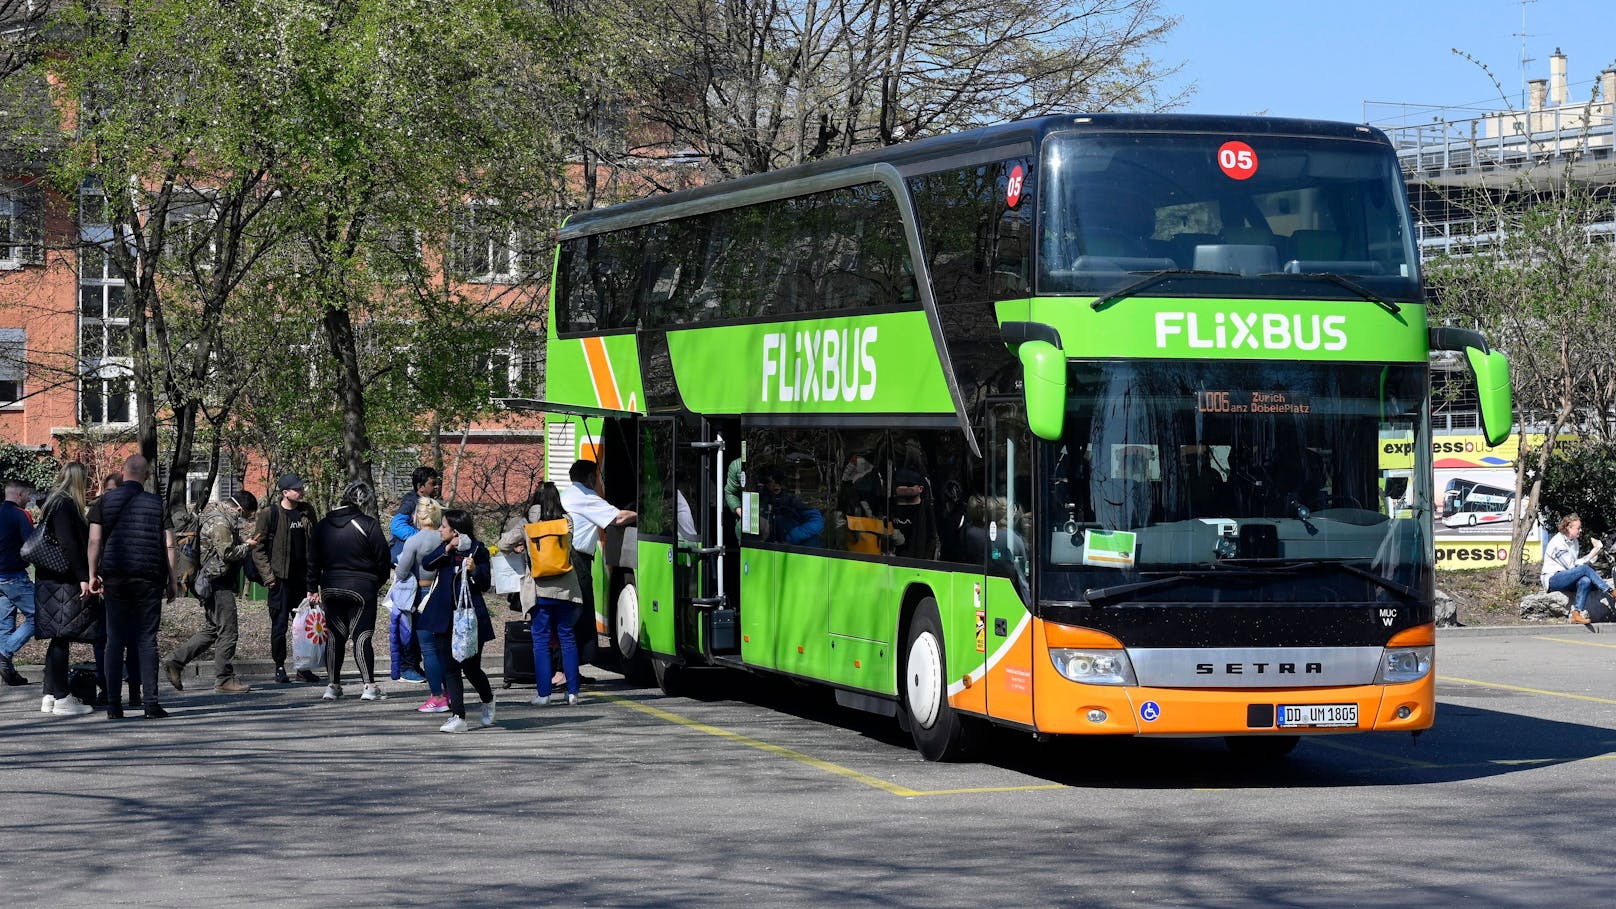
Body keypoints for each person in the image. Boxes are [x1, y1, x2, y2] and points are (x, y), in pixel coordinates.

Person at [88, 455, 177, 719]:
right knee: (147, 639)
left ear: (123, 472)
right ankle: (150, 704)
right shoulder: (157, 504)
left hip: (115, 577)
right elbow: (170, 544)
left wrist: (93, 574)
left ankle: (114, 706)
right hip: (149, 579)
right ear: (147, 475)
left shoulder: (103, 502)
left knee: (114, 640)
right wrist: (172, 580)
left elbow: (95, 541)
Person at [163, 491, 258, 695]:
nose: (247, 518)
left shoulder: (213, 515)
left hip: (209, 581)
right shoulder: (221, 523)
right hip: (217, 582)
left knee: (213, 629)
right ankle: (224, 679)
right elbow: (227, 553)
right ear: (240, 508)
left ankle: (176, 661)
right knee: (228, 631)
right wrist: (247, 547)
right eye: (248, 514)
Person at [306, 481, 393, 701]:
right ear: (363, 501)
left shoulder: (323, 525)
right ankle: (368, 686)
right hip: (362, 586)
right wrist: (376, 581)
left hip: (330, 586)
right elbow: (383, 557)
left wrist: (311, 587)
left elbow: (312, 560)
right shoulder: (368, 524)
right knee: (362, 636)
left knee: (335, 637)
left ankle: (333, 685)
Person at [417, 509, 494, 733]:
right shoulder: (445, 549)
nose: (440, 529)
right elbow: (427, 564)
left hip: (470, 617)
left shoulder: (478, 550)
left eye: (443, 526)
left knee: (470, 668)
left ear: (456, 530)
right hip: (444, 616)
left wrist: (475, 570)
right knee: (449, 668)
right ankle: (458, 716)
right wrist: (447, 549)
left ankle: (488, 699)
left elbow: (485, 583)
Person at [33, 463, 96, 716]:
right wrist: (83, 576)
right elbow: (69, 544)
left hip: (49, 580)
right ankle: (61, 697)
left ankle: (50, 694)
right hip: (63, 581)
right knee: (62, 635)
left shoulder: (51, 504)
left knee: (58, 637)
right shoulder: (65, 505)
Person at [560, 459, 635, 667]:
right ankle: (564, 671)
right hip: (576, 559)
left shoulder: (567, 494)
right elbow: (618, 518)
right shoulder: (585, 496)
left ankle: (570, 668)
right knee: (578, 612)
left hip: (567, 557)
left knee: (573, 612)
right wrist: (644, 514)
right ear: (591, 477)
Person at [251, 473, 319, 684]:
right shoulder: (269, 514)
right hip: (280, 581)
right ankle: (279, 666)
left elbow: (315, 545)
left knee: (305, 628)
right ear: (285, 492)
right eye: (296, 489)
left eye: (301, 488)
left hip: (303, 580)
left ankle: (304, 668)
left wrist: (314, 582)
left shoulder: (307, 512)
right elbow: (257, 548)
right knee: (279, 627)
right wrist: (269, 577)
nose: (301, 492)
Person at [527, 482, 583, 706]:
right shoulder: (567, 520)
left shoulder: (530, 520)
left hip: (540, 587)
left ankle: (544, 694)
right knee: (567, 638)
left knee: (540, 640)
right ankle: (573, 692)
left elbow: (505, 542)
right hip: (566, 587)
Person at [395, 496, 448, 711]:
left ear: (418, 515)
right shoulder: (445, 538)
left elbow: (401, 571)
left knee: (428, 648)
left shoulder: (414, 541)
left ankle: (438, 695)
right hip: (444, 592)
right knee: (444, 647)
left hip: (423, 593)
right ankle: (452, 691)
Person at [387, 466, 438, 683]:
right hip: (406, 573)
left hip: (419, 573)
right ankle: (407, 667)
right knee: (406, 621)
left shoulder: (429, 504)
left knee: (418, 621)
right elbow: (396, 525)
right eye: (432, 484)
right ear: (421, 488)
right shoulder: (411, 502)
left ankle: (414, 666)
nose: (436, 487)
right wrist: (421, 537)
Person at [1542, 513, 1612, 631]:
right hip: (1553, 578)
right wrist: (1593, 553)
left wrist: (1593, 554)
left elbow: (1576, 564)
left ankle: (1576, 614)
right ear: (1568, 527)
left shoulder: (1574, 541)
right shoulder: (1557, 543)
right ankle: (1610, 590)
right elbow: (1572, 567)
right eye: (1578, 528)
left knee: (1585, 580)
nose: (1581, 530)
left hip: (1567, 577)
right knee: (1584, 570)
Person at [0, 477, 35, 686]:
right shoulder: (20, 516)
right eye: (28, 495)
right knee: (39, 616)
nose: (29, 499)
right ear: (19, 494)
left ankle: (9, 672)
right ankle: (5, 652)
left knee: (5, 624)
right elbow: (32, 546)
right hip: (14, 576)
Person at [760, 468, 824, 547]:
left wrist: (791, 539)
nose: (766, 485)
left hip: (799, 548)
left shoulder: (793, 499)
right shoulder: (765, 499)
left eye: (768, 482)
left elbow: (817, 522)